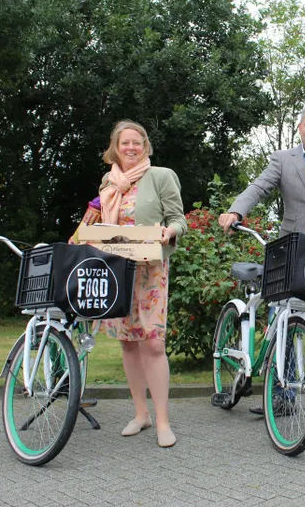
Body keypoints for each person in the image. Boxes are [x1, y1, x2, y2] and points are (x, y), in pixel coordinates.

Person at [218, 104, 305, 416]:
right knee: (282, 320)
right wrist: (236, 210)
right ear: (300, 128)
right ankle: (282, 395)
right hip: (293, 252)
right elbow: (259, 187)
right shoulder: (283, 160)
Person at [98, 120, 187, 448]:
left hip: (150, 270)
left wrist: (170, 231)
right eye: (125, 143)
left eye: (137, 142)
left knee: (152, 343)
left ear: (145, 145)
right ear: (116, 147)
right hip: (117, 269)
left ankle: (163, 420)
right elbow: (101, 220)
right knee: (127, 342)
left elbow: (179, 219)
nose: (131, 148)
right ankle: (141, 414)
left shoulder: (161, 176)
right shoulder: (109, 181)